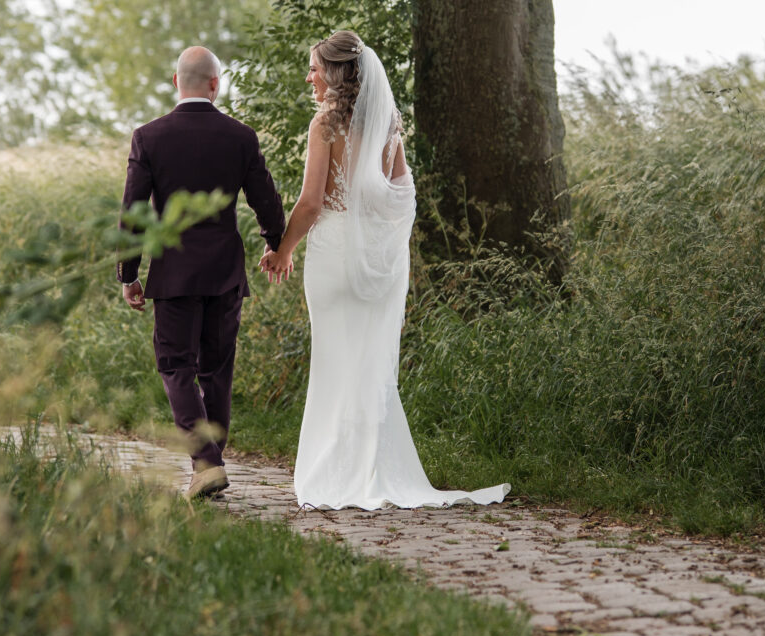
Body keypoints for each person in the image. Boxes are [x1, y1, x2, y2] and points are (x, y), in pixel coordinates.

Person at [261, 31, 510, 511]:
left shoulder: (324, 124)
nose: (309, 77)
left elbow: (310, 203)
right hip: (375, 263)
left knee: (334, 363)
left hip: (333, 257)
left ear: (334, 73)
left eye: (314, 68)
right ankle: (368, 470)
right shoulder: (388, 121)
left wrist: (283, 250)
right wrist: (380, 248)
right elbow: (401, 197)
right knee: (368, 367)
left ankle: (333, 475)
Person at [119, 45, 287, 500]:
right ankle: (211, 460)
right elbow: (266, 199)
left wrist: (129, 274)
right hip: (224, 272)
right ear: (215, 84)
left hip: (173, 273)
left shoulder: (149, 137)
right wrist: (276, 243)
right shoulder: (241, 136)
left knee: (176, 365)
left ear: (177, 82)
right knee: (216, 369)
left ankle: (207, 462)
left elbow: (134, 213)